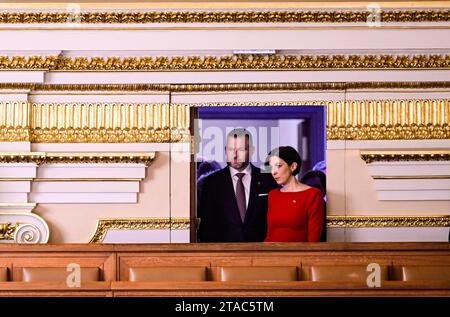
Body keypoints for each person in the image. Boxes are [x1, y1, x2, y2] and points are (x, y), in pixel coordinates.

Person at [197, 128, 278, 242]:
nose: (234, 155)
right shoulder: (212, 183)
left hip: (261, 252)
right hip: (224, 254)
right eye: (231, 149)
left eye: (240, 149)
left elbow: (275, 222)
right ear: (225, 150)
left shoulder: (267, 179)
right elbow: (207, 229)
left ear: (252, 151)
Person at [264, 146, 324, 242]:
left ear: (293, 166)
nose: (273, 172)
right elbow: (270, 234)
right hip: (271, 254)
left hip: (299, 255)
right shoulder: (273, 195)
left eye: (278, 166)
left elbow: (314, 239)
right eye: (271, 167)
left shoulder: (313, 195)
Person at [300, 170, 327, 242]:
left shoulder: (331, 213)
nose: (312, 191)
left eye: (316, 187)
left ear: (324, 190)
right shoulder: (296, 213)